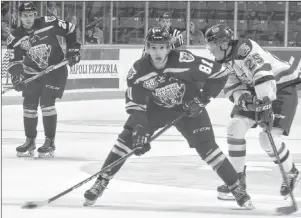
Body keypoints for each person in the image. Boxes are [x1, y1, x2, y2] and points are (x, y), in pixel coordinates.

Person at [83, 26, 254, 210]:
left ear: (169, 48)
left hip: (189, 109)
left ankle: (236, 188)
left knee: (208, 149)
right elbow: (136, 105)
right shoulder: (138, 71)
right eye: (154, 47)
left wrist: (202, 99)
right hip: (156, 110)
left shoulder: (184, 60)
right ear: (147, 48)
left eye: (162, 47)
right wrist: (140, 130)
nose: (158, 52)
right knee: (127, 138)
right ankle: (101, 182)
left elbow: (220, 73)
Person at [204, 24, 301, 201]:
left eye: (213, 46)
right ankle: (238, 180)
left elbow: (262, 73)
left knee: (267, 138)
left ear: (224, 44)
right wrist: (244, 100)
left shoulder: (244, 49)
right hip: (256, 89)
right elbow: (233, 88)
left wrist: (264, 103)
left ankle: (291, 172)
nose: (210, 51)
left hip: (281, 87)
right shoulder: (223, 62)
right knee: (235, 125)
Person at [7, 2, 81, 158]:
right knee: (29, 105)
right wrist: (17, 77)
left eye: (30, 15)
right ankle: (30, 140)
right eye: (25, 16)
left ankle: (49, 141)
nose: (28, 19)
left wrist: (73, 49)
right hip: (31, 71)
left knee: (47, 102)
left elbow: (70, 29)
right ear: (20, 17)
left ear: (35, 15)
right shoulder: (14, 37)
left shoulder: (48, 22)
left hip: (55, 69)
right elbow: (14, 61)